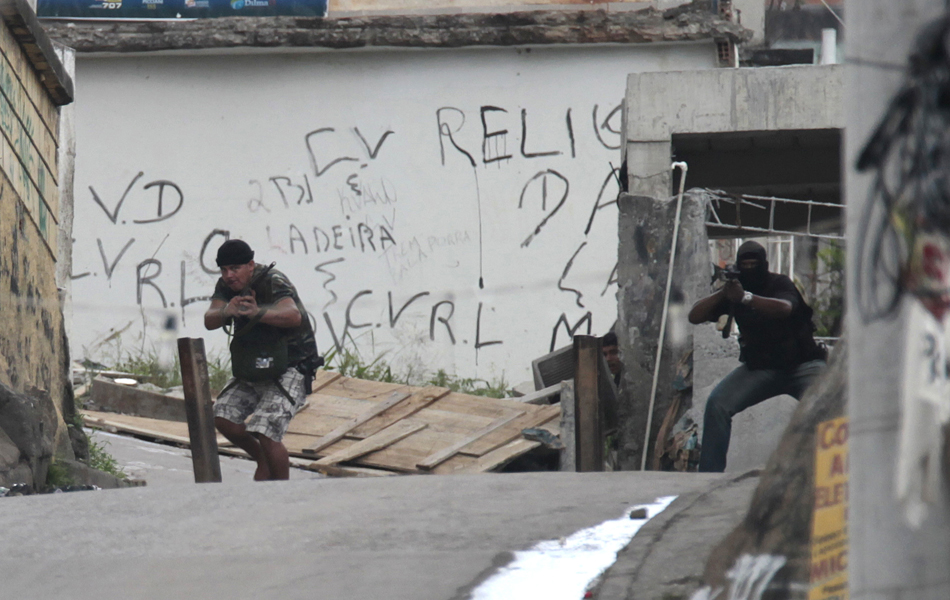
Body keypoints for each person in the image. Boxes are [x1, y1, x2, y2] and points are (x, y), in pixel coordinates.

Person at [688, 241, 826, 472]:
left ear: (764, 265)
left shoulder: (779, 283)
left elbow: (785, 308)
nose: (750, 268)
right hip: (762, 368)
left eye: (754, 264)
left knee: (828, 409)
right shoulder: (736, 289)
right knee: (718, 405)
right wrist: (725, 292)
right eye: (745, 264)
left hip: (803, 365)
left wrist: (746, 298)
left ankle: (833, 474)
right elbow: (694, 315)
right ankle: (708, 478)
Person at [204, 239, 321, 481]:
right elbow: (210, 319)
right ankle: (262, 459)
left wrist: (258, 313)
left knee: (266, 430)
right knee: (222, 417)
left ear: (250, 265)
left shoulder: (272, 281)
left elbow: (292, 316)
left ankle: (279, 494)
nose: (229, 275)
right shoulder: (227, 286)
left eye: (235, 268)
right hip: (253, 364)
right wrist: (228, 311)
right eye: (224, 270)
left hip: (292, 365)